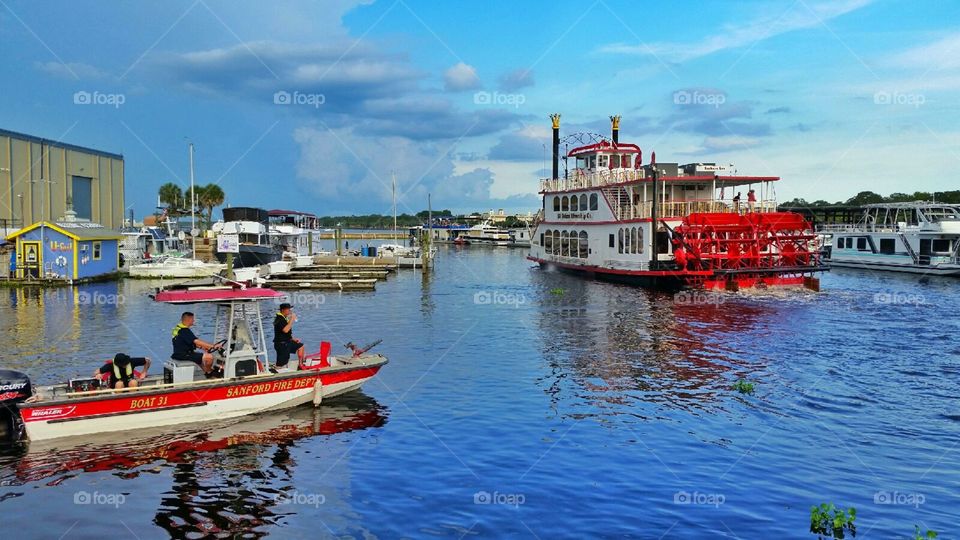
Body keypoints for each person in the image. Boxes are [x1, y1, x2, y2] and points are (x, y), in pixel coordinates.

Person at [172, 312, 222, 376]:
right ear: (189, 319)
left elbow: (186, 342)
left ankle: (209, 374)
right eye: (193, 319)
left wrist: (203, 347)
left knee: (200, 359)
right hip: (184, 355)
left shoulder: (178, 327)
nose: (194, 321)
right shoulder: (184, 330)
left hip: (178, 353)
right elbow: (196, 341)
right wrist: (213, 346)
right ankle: (209, 372)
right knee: (209, 357)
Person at [274, 303, 305, 370]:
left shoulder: (284, 318)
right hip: (281, 344)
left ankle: (300, 364)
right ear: (283, 310)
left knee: (300, 346)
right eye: (288, 309)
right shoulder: (279, 319)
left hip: (287, 342)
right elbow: (285, 330)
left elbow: (286, 333)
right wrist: (292, 319)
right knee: (281, 363)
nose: (290, 311)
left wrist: (293, 339)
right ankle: (277, 374)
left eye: (290, 309)